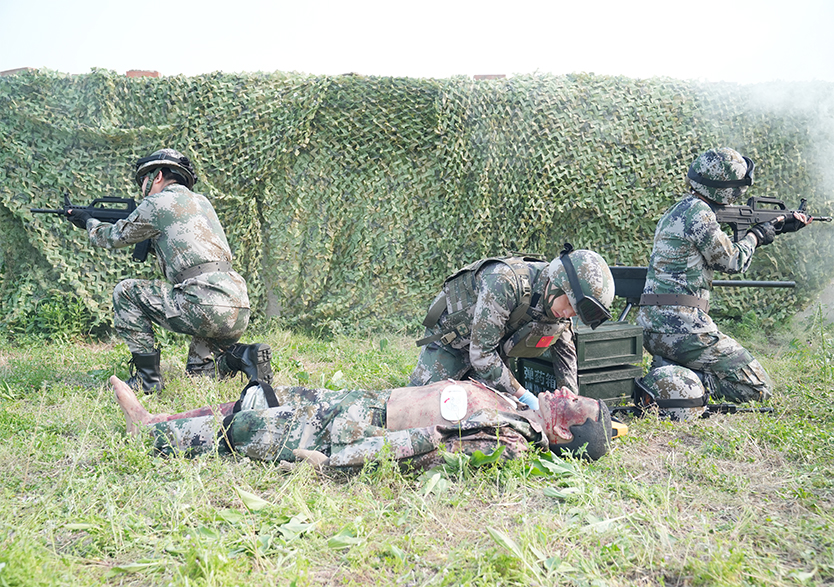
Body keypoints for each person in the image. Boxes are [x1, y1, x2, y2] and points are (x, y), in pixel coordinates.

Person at [66, 148, 272, 392]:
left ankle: (147, 380)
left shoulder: (156, 202)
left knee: (126, 291)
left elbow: (112, 237)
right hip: (237, 306)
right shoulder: (202, 203)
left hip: (203, 302)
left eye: (144, 180)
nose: (143, 188)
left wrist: (88, 221)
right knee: (200, 375)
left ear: (158, 176)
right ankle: (245, 356)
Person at [112, 374, 614, 468]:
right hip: (367, 403)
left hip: (361, 428)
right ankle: (159, 418)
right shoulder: (521, 413)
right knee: (263, 400)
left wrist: (334, 463)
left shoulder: (511, 440)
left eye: (574, 403)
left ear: (563, 430)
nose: (565, 392)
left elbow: (427, 445)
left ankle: (154, 435)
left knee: (250, 430)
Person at [636, 147, 810, 403]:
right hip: (683, 330)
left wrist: (776, 227)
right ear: (728, 189)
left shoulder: (679, 210)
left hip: (653, 327)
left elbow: (715, 247)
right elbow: (732, 260)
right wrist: (757, 236)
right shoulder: (700, 214)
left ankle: (671, 369)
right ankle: (678, 381)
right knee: (758, 387)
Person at [409, 244, 615, 411]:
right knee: (422, 407)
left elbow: (565, 354)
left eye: (575, 312)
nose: (568, 314)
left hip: (493, 351)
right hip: (452, 342)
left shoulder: (558, 306)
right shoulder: (505, 282)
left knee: (495, 414)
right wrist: (526, 396)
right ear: (557, 283)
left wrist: (568, 399)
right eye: (569, 304)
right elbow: (481, 355)